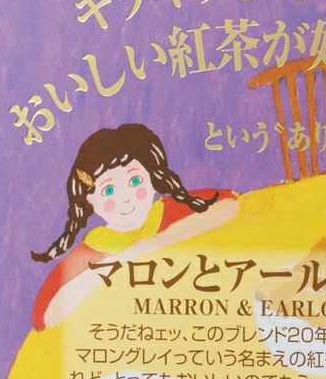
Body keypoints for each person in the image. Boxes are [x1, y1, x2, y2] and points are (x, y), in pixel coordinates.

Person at [30, 122, 237, 330]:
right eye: (109, 191)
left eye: (135, 181)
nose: (126, 198)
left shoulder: (169, 210)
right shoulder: (91, 250)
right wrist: (121, 260)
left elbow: (229, 204)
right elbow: (45, 315)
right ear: (90, 200)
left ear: (153, 180)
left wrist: (157, 243)